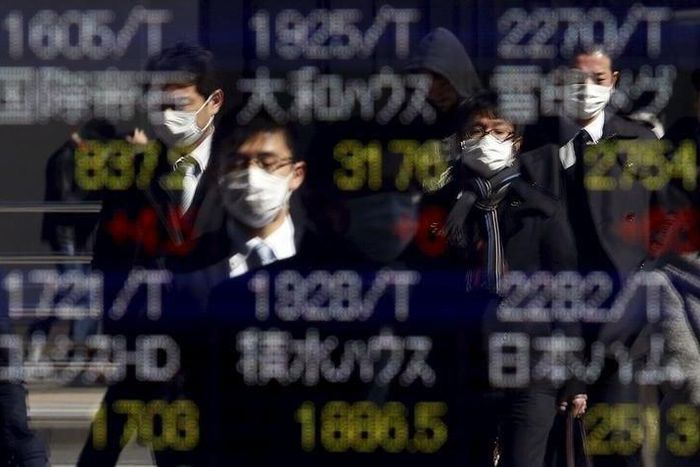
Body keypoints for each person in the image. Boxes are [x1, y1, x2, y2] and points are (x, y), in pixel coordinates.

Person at [78, 42, 226, 467]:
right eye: (158, 103)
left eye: (179, 102)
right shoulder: (134, 175)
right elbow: (108, 254)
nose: (167, 114)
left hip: (216, 347)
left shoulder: (242, 169)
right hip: (146, 342)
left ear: (213, 101)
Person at [424, 95, 587, 467]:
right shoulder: (439, 206)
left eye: (499, 131)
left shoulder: (540, 209)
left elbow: (569, 295)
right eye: (477, 131)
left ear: (516, 142)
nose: (487, 140)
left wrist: (574, 377)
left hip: (533, 365)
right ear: (461, 139)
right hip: (464, 365)